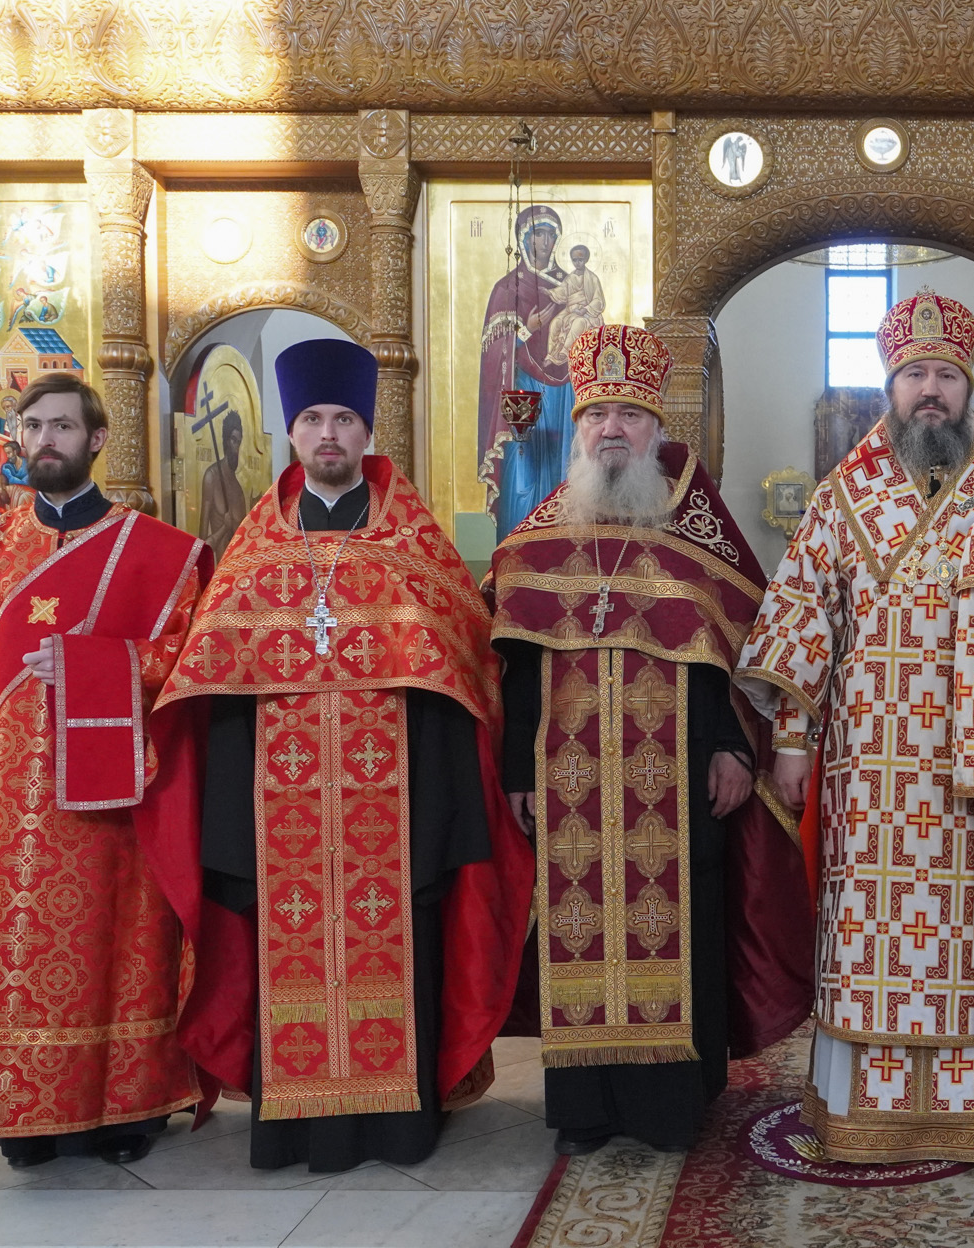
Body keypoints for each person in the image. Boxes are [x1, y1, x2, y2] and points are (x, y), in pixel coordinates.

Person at [150, 339, 531, 1173]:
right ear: (291, 433)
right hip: (278, 824)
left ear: (367, 432)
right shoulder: (252, 555)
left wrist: (442, 825)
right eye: (314, 419)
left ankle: (400, 1125)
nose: (329, 434)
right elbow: (215, 692)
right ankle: (293, 1128)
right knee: (282, 954)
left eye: (345, 419)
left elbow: (462, 676)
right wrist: (230, 836)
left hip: (397, 821)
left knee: (405, 953)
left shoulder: (414, 548)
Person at [738, 290, 974, 1163]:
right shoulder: (844, 495)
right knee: (873, 937)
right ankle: (866, 1111)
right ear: (889, 386)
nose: (930, 390)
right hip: (873, 765)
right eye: (914, 375)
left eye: (945, 375)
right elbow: (801, 617)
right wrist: (792, 743)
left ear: (967, 387)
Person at [489, 324, 811, 1155]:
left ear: (655, 428)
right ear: (578, 428)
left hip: (679, 776)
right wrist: (518, 768)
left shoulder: (696, 536)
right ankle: (584, 1109)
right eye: (598, 414)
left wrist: (734, 748)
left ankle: (674, 1104)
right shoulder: (534, 541)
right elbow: (516, 664)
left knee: (683, 923)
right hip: (565, 781)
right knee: (576, 928)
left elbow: (735, 657)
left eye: (630, 415)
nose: (613, 430)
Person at [0, 372, 212, 1169]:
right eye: (33, 427)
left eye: (62, 426)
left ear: (96, 439)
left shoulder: (161, 551)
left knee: (122, 941)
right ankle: (24, 1107)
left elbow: (190, 658)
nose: (45, 440)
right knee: (20, 950)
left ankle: (126, 1109)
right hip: (15, 794)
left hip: (122, 786)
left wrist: (100, 663)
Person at [479, 205, 577, 541]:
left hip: (565, 393)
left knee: (565, 466)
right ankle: (518, 545)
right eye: (537, 234)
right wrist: (527, 329)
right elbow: (494, 351)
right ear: (524, 238)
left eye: (550, 234)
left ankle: (565, 545)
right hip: (524, 391)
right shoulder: (508, 288)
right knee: (523, 473)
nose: (544, 242)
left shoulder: (571, 286)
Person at [198, 413, 247, 560]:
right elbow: (202, 547)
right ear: (226, 440)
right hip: (218, 569)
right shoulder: (212, 477)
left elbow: (244, 543)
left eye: (239, 442)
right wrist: (225, 527)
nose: (236, 447)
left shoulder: (238, 490)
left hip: (238, 568)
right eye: (233, 440)